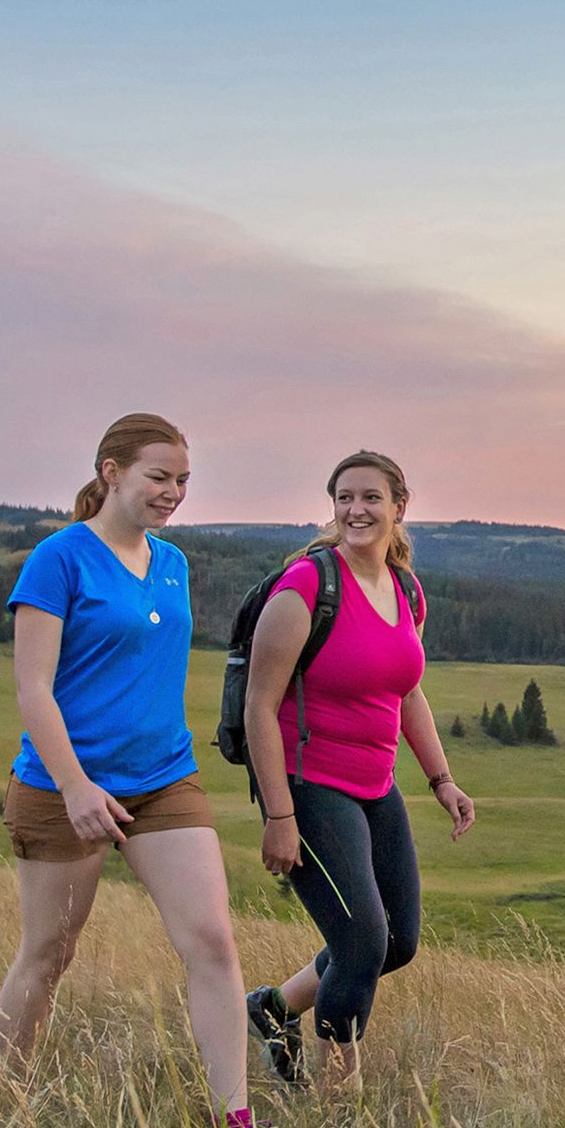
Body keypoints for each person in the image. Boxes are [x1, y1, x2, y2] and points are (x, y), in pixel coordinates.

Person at [0, 412, 266, 1128]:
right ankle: (7, 1107)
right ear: (110, 471)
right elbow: (33, 690)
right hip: (63, 789)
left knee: (212, 941)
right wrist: (77, 786)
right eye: (159, 476)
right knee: (49, 954)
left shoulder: (173, 563)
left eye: (183, 480)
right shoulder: (59, 560)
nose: (173, 492)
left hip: (163, 780)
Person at [242, 449, 476, 1089]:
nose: (356, 510)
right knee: (361, 943)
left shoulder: (405, 590)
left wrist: (441, 778)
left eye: (371, 497)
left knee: (396, 941)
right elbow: (259, 706)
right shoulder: (306, 589)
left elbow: (404, 691)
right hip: (306, 785)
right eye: (345, 497)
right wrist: (280, 817)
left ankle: (275, 1008)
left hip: (375, 785)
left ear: (400, 506)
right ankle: (339, 1099)